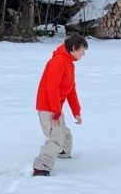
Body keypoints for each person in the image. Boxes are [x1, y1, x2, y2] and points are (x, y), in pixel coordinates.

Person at [33, 34, 87, 176]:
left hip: (55, 107)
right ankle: (41, 166)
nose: (84, 54)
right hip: (48, 107)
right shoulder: (57, 62)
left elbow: (71, 90)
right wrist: (56, 112)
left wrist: (76, 111)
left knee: (65, 135)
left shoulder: (69, 64)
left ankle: (63, 152)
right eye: (82, 50)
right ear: (74, 48)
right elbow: (52, 88)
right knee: (56, 136)